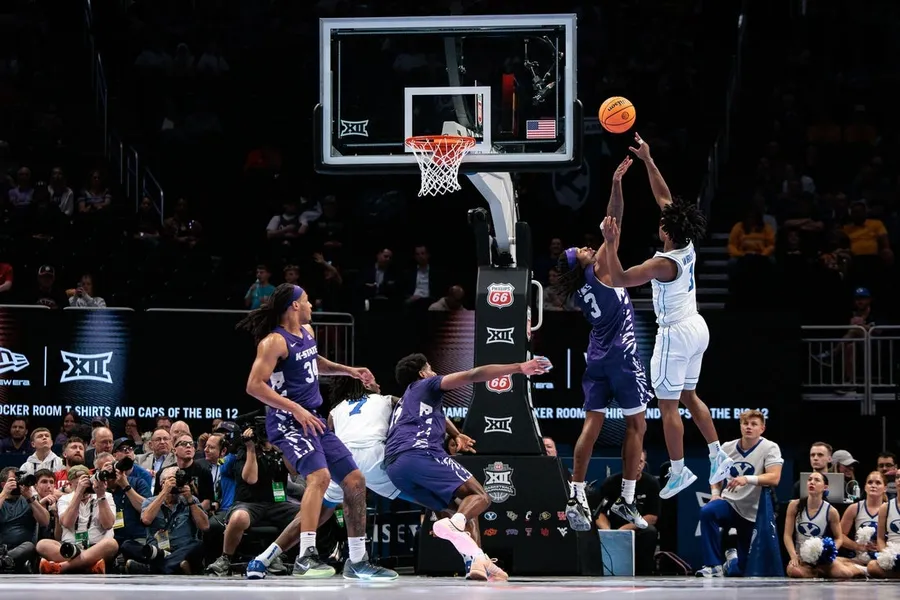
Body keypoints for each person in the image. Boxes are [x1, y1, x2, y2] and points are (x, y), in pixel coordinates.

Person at [603, 132, 733, 499]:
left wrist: (611, 244)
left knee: (668, 404)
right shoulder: (686, 242)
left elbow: (619, 279)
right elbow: (665, 198)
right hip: (697, 327)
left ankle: (678, 471)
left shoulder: (662, 263)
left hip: (675, 333)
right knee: (690, 395)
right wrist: (648, 160)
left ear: (665, 231)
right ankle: (717, 454)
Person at [236, 283, 396, 580]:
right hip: (287, 422)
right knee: (319, 477)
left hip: (314, 419)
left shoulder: (307, 333)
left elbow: (314, 362)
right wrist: (295, 408)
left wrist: (348, 370)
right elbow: (254, 386)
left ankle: (357, 561)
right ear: (294, 305)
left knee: (355, 480)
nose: (311, 305)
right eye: (307, 300)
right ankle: (305, 557)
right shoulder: (273, 342)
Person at [384, 352, 552, 581]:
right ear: (423, 374)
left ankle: (476, 562)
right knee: (479, 496)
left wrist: (456, 434)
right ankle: (456, 525)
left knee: (462, 508)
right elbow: (473, 375)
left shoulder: (407, 399)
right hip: (420, 453)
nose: (435, 372)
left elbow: (440, 417)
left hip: (395, 469)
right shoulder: (428, 384)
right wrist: (519, 367)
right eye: (431, 368)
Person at [550, 157, 652, 531]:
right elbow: (615, 217)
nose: (585, 247)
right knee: (637, 426)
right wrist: (616, 183)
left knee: (592, 424)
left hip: (596, 355)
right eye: (581, 250)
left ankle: (576, 492)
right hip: (622, 356)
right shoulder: (603, 269)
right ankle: (627, 498)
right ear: (580, 264)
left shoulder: (581, 290)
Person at [696, 410, 782, 577]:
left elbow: (774, 477)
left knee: (741, 570)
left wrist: (747, 479)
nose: (749, 427)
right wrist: (715, 493)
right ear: (740, 426)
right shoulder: (727, 448)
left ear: (762, 429)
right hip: (730, 503)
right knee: (708, 511)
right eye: (745, 423)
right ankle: (713, 565)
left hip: (753, 512)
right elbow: (715, 475)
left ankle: (732, 560)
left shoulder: (770, 447)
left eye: (754, 424)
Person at [784, 472, 855, 578]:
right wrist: (793, 556)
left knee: (844, 574)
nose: (812, 482)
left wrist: (828, 552)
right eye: (810, 479)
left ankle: (860, 569)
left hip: (820, 559)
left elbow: (839, 538)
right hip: (801, 557)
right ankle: (817, 572)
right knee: (793, 571)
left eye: (817, 480)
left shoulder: (831, 511)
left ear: (825, 487)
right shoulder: (794, 505)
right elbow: (787, 535)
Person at [836, 470, 885, 572]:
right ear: (865, 487)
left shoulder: (890, 509)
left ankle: (868, 571)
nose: (873, 485)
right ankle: (864, 571)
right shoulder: (854, 508)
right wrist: (858, 546)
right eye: (870, 482)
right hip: (859, 561)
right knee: (832, 562)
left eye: (878, 483)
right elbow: (840, 536)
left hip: (882, 562)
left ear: (885, 488)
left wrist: (882, 547)